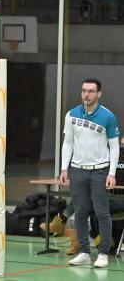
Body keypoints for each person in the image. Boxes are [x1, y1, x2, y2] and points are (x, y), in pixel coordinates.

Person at [59, 78, 120, 268]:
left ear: (99, 94)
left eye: (91, 91)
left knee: (102, 213)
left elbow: (114, 146)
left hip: (100, 171)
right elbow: (68, 143)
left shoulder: (108, 117)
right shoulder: (71, 115)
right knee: (80, 213)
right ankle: (84, 251)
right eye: (84, 90)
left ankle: (103, 253)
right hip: (77, 171)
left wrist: (111, 173)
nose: (87, 94)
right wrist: (64, 168)